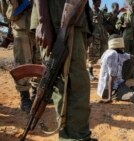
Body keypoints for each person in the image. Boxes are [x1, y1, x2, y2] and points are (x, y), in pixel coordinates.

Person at [32, 0, 96, 140]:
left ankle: (78, 136)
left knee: (77, 85)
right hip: (55, 17)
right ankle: (73, 138)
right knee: (66, 84)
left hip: (74, 20)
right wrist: (43, 21)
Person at [1, 0, 38, 113]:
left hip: (38, 26)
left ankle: (36, 94)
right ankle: (25, 98)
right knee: (22, 63)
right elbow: (4, 11)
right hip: (20, 28)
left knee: (39, 62)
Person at [97, 34, 134, 103]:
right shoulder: (113, 54)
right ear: (119, 44)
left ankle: (128, 89)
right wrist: (109, 98)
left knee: (130, 61)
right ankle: (130, 90)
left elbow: (132, 57)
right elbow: (111, 77)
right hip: (110, 89)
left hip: (113, 85)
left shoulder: (109, 52)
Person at [116, 0, 134, 78]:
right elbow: (117, 25)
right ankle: (124, 74)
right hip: (126, 39)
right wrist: (123, 26)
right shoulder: (124, 14)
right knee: (125, 56)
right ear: (131, 3)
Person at [88, 0, 108, 80]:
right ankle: (90, 73)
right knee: (92, 57)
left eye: (100, 1)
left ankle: (102, 74)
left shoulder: (101, 12)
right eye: (98, 1)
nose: (100, 3)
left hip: (103, 38)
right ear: (94, 1)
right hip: (94, 38)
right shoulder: (89, 12)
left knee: (103, 56)